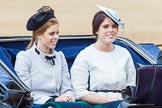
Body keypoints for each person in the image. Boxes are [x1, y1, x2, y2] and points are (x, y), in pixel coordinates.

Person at [70, 5, 136, 107]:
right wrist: (108, 101)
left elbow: (132, 85)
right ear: (96, 30)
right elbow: (79, 92)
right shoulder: (84, 56)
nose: (111, 30)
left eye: (114, 26)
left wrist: (123, 99)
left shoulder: (124, 53)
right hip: (96, 104)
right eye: (105, 26)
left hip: (123, 103)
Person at [14, 6, 75, 105]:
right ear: (38, 35)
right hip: (38, 104)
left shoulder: (60, 56)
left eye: (57, 33)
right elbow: (26, 94)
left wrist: (68, 97)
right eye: (51, 34)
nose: (56, 37)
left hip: (60, 103)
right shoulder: (25, 57)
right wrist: (52, 101)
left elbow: (67, 88)